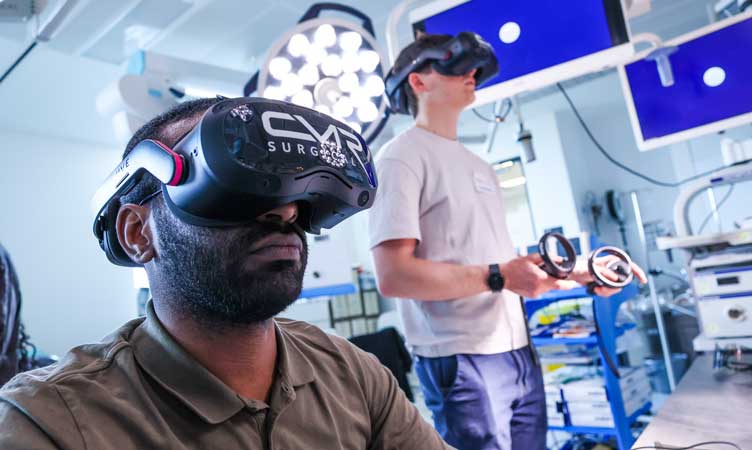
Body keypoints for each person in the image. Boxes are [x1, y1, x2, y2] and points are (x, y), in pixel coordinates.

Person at [0, 97, 453, 450]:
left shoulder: (351, 373)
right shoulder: (50, 420)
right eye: (235, 187)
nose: (286, 210)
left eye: (296, 193)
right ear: (138, 232)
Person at [369, 34, 646, 450]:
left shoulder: (479, 166)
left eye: (474, 70)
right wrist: (499, 275)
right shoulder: (401, 156)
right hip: (461, 357)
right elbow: (394, 277)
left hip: (517, 349)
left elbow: (498, 268)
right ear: (419, 83)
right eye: (456, 68)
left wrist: (581, 273)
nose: (472, 76)